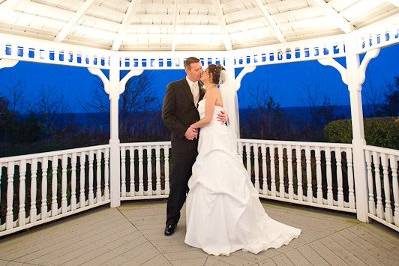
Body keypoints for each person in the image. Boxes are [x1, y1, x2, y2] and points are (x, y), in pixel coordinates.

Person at [184, 64, 301, 256]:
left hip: (214, 136)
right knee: (209, 178)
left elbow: (207, 119)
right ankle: (211, 229)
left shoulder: (213, 90)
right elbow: (216, 113)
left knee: (220, 176)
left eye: (205, 72)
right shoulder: (208, 91)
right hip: (210, 137)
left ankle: (227, 232)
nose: (202, 73)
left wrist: (192, 126)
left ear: (212, 76)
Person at [162, 57, 227, 236]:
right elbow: (167, 116)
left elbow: (214, 109)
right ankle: (171, 221)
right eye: (197, 69)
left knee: (202, 184)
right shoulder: (174, 87)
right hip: (183, 145)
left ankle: (200, 221)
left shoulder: (205, 88)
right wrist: (185, 131)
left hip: (204, 145)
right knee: (179, 183)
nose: (200, 71)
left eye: (201, 68)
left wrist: (224, 115)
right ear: (188, 70)